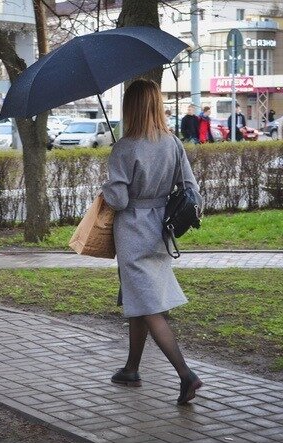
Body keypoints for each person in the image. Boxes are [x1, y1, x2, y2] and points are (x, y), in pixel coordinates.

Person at [101, 79, 203, 405]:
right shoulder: (172, 143)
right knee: (139, 299)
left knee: (148, 306)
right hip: (161, 229)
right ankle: (131, 369)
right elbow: (191, 190)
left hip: (132, 231)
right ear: (157, 105)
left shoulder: (125, 147)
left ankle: (186, 375)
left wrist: (107, 185)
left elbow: (116, 200)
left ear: (130, 108)